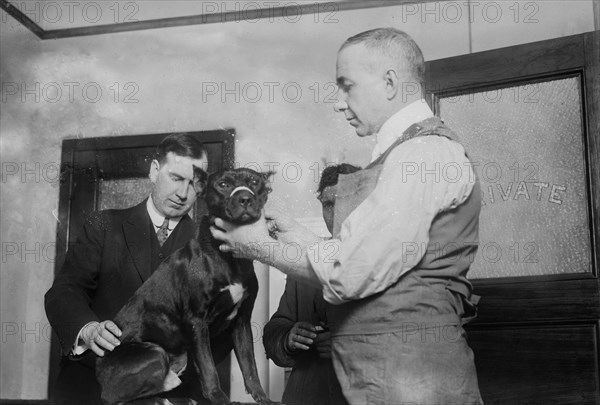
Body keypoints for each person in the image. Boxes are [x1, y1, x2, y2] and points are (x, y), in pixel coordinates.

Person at [211, 27, 483, 404]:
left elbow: (350, 271)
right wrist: (297, 236)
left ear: (389, 82)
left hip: (413, 381)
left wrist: (258, 246)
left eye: (347, 85)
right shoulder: (403, 154)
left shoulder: (422, 155)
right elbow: (368, 253)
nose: (338, 102)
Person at [45, 133, 208, 404]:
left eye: (194, 183)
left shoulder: (208, 248)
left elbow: (220, 330)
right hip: (91, 388)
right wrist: (87, 328)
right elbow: (64, 291)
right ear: (155, 171)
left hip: (173, 394)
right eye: (176, 178)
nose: (183, 193)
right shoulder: (103, 225)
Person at [263, 163, 360, 405]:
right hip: (305, 395)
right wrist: (288, 337)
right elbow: (277, 325)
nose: (336, 212)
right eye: (328, 204)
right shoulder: (307, 260)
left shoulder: (386, 259)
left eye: (345, 200)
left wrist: (350, 345)